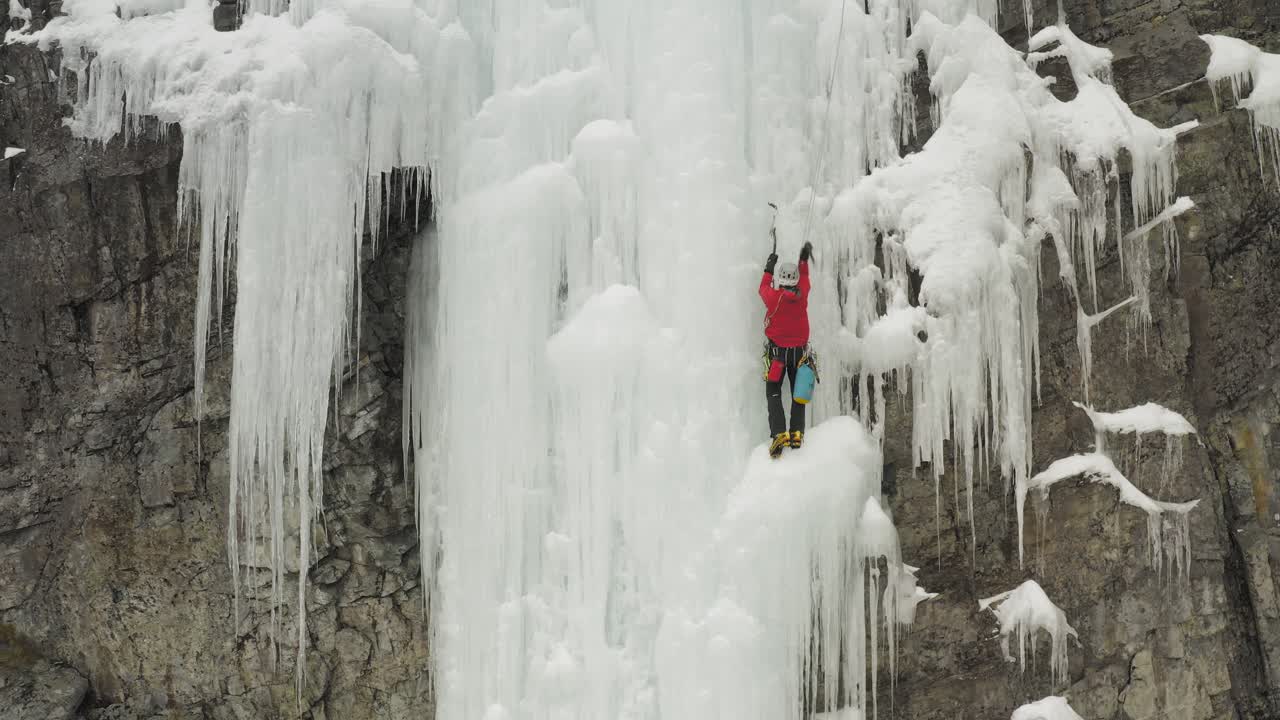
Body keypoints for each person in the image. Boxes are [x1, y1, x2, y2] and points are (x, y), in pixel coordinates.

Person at [760, 241, 814, 459]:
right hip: (798, 354)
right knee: (797, 392)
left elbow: (762, 288)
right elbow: (805, 278)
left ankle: (779, 434)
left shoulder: (773, 297)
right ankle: (797, 433)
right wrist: (803, 260)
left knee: (773, 391)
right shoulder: (802, 296)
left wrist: (769, 267)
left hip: (778, 355)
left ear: (781, 280)